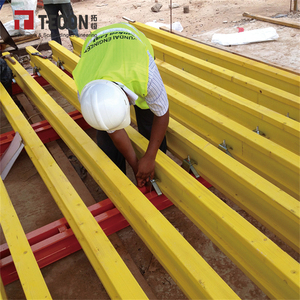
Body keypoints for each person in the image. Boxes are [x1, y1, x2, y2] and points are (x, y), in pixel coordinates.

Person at [73, 22, 169, 188]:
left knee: (149, 119)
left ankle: (157, 174)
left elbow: (162, 113)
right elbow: (113, 129)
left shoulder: (145, 74)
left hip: (131, 41)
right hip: (97, 45)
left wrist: (150, 157)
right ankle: (120, 184)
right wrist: (135, 165)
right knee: (106, 140)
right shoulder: (87, 92)